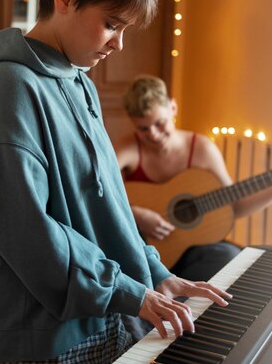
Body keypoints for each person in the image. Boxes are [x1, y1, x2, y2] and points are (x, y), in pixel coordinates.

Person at [0, 0, 231, 364]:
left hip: (92, 320)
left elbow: (106, 205)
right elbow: (27, 234)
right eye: (112, 23)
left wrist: (154, 273)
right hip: (32, 344)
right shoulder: (8, 90)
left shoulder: (78, 80)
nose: (118, 44)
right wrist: (130, 293)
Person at [115, 74, 272, 280]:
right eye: (143, 128)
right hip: (139, 247)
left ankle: (174, 291)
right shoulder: (128, 148)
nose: (153, 134)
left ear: (173, 108)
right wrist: (137, 214)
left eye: (160, 123)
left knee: (230, 257)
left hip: (190, 253)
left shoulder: (202, 148)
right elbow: (98, 191)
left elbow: (234, 205)